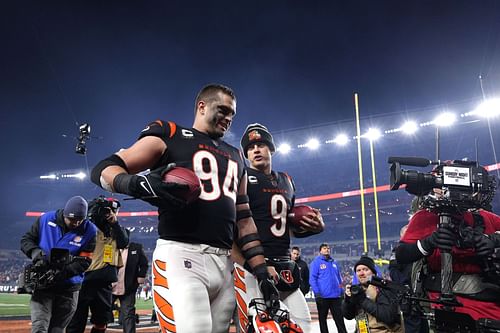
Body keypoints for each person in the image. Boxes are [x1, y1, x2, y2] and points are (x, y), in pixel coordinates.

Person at [90, 84, 278, 333]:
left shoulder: (235, 156)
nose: (228, 118)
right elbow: (104, 168)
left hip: (223, 263)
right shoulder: (171, 134)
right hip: (182, 254)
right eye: (222, 110)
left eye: (232, 113)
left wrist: (262, 270)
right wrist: (137, 184)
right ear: (202, 106)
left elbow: (243, 218)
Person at [232, 123, 324, 333]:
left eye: (261, 145)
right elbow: (231, 228)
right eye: (251, 147)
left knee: (303, 326)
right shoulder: (241, 176)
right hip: (253, 267)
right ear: (246, 154)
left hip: (285, 264)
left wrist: (315, 226)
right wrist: (257, 266)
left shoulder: (287, 180)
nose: (256, 149)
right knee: (261, 327)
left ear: (271, 149)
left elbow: (286, 226)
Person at [396, 185, 500, 321]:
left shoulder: (485, 217)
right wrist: (428, 242)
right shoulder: (426, 216)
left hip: (490, 302)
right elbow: (402, 254)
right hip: (447, 303)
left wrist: (493, 240)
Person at [20, 196, 97, 333]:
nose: (76, 223)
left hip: (69, 286)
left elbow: (84, 261)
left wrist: (61, 273)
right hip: (43, 284)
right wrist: (36, 253)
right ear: (64, 214)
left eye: (80, 220)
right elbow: (27, 240)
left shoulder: (90, 230)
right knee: (39, 327)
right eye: (72, 220)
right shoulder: (45, 219)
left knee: (57, 329)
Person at [67, 196, 129, 333]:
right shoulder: (86, 227)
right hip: (82, 280)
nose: (110, 214)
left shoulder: (117, 229)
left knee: (101, 323)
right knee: (75, 324)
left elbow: (124, 242)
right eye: (107, 211)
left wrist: (114, 222)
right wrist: (94, 215)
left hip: (103, 283)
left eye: (112, 211)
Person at [342, 256, 404, 333]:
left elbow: (389, 316)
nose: (361, 273)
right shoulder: (357, 290)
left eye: (365, 270)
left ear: (373, 273)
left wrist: (363, 301)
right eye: (358, 270)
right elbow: (348, 316)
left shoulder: (384, 289)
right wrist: (348, 300)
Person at [112, 232, 149, 333]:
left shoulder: (136, 248)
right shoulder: (109, 247)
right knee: (102, 313)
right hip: (110, 287)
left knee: (128, 314)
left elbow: (144, 264)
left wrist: (141, 276)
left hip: (128, 287)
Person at [310, 243, 348, 333]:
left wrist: (341, 290)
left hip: (335, 297)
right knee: (323, 320)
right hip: (322, 297)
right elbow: (312, 279)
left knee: (339, 318)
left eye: (328, 248)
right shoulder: (316, 263)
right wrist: (317, 293)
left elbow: (339, 278)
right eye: (324, 248)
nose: (327, 249)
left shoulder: (334, 262)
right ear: (320, 251)